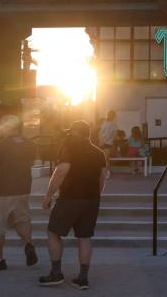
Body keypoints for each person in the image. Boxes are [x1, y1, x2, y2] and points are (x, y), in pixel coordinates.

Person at [39, 120, 107, 290]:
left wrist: (48, 195)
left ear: (76, 133)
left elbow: (61, 170)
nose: (69, 134)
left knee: (53, 232)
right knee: (84, 237)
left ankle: (56, 274)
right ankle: (83, 278)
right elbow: (102, 177)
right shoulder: (98, 153)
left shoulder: (69, 146)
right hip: (91, 200)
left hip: (69, 198)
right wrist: (95, 196)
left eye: (71, 132)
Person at [0, 114, 38, 270]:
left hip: (1, 191)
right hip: (23, 189)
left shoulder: (0, 145)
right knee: (21, 220)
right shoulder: (29, 144)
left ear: (5, 127)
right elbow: (30, 163)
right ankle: (29, 245)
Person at [98, 110, 117, 175]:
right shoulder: (105, 123)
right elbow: (100, 132)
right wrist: (101, 141)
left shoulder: (113, 124)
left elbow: (112, 134)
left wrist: (103, 141)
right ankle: (105, 172)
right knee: (104, 159)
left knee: (106, 158)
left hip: (107, 143)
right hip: (104, 142)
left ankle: (107, 172)